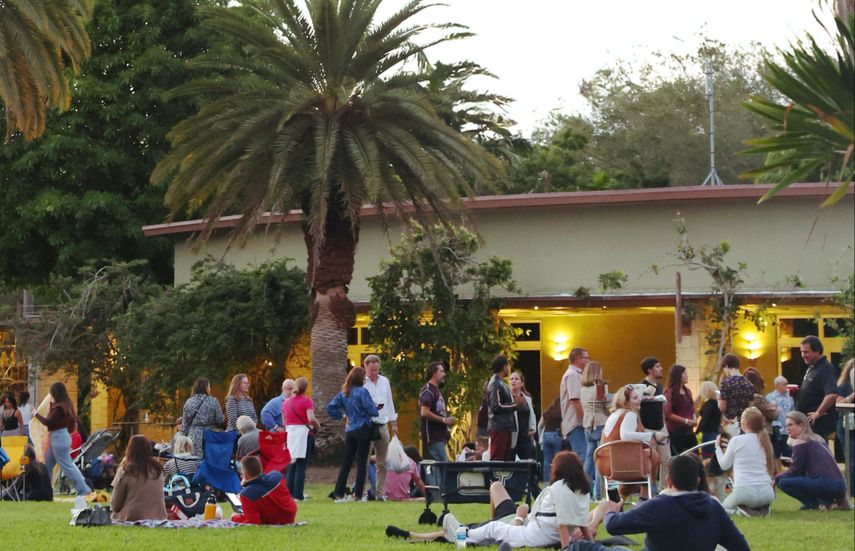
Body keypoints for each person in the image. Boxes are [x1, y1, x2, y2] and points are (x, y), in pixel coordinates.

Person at [387, 451, 594, 549]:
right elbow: (579, 520)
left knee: (490, 529)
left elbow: (563, 521)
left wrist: (520, 518)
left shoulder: (557, 489)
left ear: (560, 470)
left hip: (528, 529)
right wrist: (592, 542)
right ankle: (460, 533)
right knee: (490, 517)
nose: (550, 471)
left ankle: (460, 536)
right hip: (529, 523)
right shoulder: (582, 491)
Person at [600, 455, 750, 551]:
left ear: (669, 481)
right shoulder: (713, 507)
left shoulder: (661, 506)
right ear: (698, 481)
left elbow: (613, 526)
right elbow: (740, 546)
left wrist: (610, 510)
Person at [598, 385, 665, 498]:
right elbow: (626, 435)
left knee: (643, 456)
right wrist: (653, 435)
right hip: (619, 464)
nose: (639, 400)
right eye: (635, 398)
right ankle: (646, 496)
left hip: (605, 463)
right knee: (652, 455)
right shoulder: (629, 414)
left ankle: (621, 499)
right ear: (626, 402)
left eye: (638, 397)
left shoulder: (615, 414)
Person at [775, 411, 848, 510]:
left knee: (783, 482)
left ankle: (814, 504)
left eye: (790, 425)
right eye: (786, 425)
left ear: (801, 425)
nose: (787, 429)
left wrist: (776, 478)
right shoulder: (818, 438)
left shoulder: (800, 441)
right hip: (839, 485)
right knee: (809, 479)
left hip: (825, 483)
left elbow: (795, 471)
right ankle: (829, 503)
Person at [327, 366, 378, 502]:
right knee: (361, 463)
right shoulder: (362, 392)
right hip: (363, 428)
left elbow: (330, 407)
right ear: (361, 378)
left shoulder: (345, 392)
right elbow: (373, 411)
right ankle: (358, 494)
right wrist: (375, 407)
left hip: (350, 429)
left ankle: (338, 492)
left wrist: (343, 415)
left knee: (347, 462)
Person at [714, 406, 775, 516]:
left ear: (745, 423)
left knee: (720, 510)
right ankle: (761, 509)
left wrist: (717, 448)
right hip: (768, 494)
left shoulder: (736, 440)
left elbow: (724, 465)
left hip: (744, 492)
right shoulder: (766, 441)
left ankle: (743, 513)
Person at [33, 382, 91, 496]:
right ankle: (45, 490)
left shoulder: (59, 408)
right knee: (48, 464)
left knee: (67, 466)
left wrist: (36, 414)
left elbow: (49, 422)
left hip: (58, 437)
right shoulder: (66, 405)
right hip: (61, 436)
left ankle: (84, 489)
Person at [363, 355, 398, 501]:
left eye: (377, 370)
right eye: (372, 370)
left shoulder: (385, 382)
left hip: (382, 424)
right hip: (367, 424)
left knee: (382, 461)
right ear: (366, 368)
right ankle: (363, 491)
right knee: (363, 460)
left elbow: (389, 402)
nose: (374, 373)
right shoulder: (362, 383)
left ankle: (380, 492)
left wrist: (393, 422)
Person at [110, 435, 167, 522]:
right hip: (159, 516)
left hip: (132, 517)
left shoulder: (126, 470)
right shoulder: (158, 469)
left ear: (129, 449)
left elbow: (115, 505)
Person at [231, 455, 297, 525]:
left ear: (245, 474)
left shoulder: (246, 494)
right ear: (261, 468)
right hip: (290, 514)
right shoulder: (277, 476)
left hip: (276, 520)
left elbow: (253, 521)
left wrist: (235, 517)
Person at [283, 376, 319, 500]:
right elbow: (311, 418)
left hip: (291, 434)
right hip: (304, 434)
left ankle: (289, 493)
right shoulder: (307, 401)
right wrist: (317, 425)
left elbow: (284, 420)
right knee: (301, 465)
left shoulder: (286, 402)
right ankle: (298, 494)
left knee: (292, 464)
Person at [796, 336, 839, 438]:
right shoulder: (812, 367)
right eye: (802, 352)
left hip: (818, 425)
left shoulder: (825, 368)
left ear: (817, 351)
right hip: (807, 424)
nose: (803, 355)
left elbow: (832, 395)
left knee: (816, 452)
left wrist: (818, 412)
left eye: (806, 352)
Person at [639, 356, 670, 488]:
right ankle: (651, 489)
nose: (661, 368)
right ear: (650, 370)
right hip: (648, 429)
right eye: (657, 366)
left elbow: (660, 408)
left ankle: (665, 488)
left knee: (666, 459)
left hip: (661, 428)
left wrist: (665, 427)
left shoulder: (659, 386)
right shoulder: (642, 386)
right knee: (651, 461)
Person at [580, 361, 608, 500]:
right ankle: (599, 493)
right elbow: (604, 406)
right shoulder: (600, 387)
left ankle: (585, 492)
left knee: (589, 460)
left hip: (587, 424)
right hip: (600, 422)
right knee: (600, 459)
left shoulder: (583, 389)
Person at [418, 362, 454, 462]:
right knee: (443, 464)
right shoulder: (428, 391)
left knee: (442, 463)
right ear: (434, 374)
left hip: (440, 435)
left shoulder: (436, 390)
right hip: (433, 436)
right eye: (441, 371)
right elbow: (424, 412)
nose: (444, 374)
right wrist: (443, 420)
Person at [488, 355, 521, 461]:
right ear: (504, 367)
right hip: (499, 427)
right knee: (497, 459)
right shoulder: (495, 383)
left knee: (506, 460)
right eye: (508, 366)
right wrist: (515, 404)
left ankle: (502, 478)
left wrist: (514, 403)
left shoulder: (501, 383)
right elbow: (496, 406)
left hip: (504, 427)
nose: (509, 369)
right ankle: (495, 478)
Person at [182, 378, 224, 459]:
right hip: (209, 435)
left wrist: (184, 436)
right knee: (209, 459)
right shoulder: (213, 401)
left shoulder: (189, 401)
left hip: (193, 436)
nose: (210, 388)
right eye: (209, 386)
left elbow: (184, 423)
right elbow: (220, 419)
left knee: (194, 460)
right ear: (206, 387)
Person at [560, 348, 590, 457]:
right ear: (578, 359)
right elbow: (575, 401)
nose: (588, 360)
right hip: (576, 423)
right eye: (586, 357)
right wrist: (584, 420)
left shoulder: (576, 374)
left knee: (586, 456)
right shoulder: (572, 375)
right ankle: (582, 475)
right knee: (583, 456)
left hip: (576, 423)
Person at [717, 353, 755, 436]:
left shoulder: (726, 383)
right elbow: (751, 406)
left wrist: (718, 399)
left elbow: (722, 408)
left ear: (726, 366)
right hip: (744, 426)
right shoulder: (749, 384)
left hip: (730, 425)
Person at [663, 364, 697, 455]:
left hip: (689, 432)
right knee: (680, 456)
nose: (687, 376)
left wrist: (694, 419)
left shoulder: (688, 391)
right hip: (676, 432)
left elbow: (691, 408)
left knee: (694, 455)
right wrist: (685, 421)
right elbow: (668, 413)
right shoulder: (669, 392)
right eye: (685, 373)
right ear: (678, 375)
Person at [834, 359, 854, 491]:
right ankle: (851, 489)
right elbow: (838, 406)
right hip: (846, 426)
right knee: (851, 458)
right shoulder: (844, 386)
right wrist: (852, 396)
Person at [510, 371, 536, 464]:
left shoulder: (527, 398)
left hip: (525, 436)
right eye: (511, 379)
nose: (513, 381)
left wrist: (533, 429)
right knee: (510, 462)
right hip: (512, 436)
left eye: (516, 379)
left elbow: (532, 415)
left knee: (527, 463)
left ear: (522, 383)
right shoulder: (507, 398)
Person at [766, 375, 795, 461]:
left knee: (789, 453)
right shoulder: (770, 397)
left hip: (787, 430)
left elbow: (793, 411)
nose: (786, 386)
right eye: (784, 384)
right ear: (777, 385)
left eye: (787, 384)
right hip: (775, 430)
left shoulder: (790, 399)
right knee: (775, 454)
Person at [538, 394, 564, 481]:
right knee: (558, 460)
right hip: (556, 435)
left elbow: (540, 426)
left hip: (546, 435)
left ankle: (546, 481)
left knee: (546, 461)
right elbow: (563, 425)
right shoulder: (560, 413)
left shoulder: (546, 412)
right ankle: (557, 479)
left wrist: (540, 438)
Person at [696, 381, 721, 458]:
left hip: (708, 433)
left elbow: (705, 419)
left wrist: (697, 431)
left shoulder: (709, 404)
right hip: (715, 432)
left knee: (707, 456)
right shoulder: (717, 403)